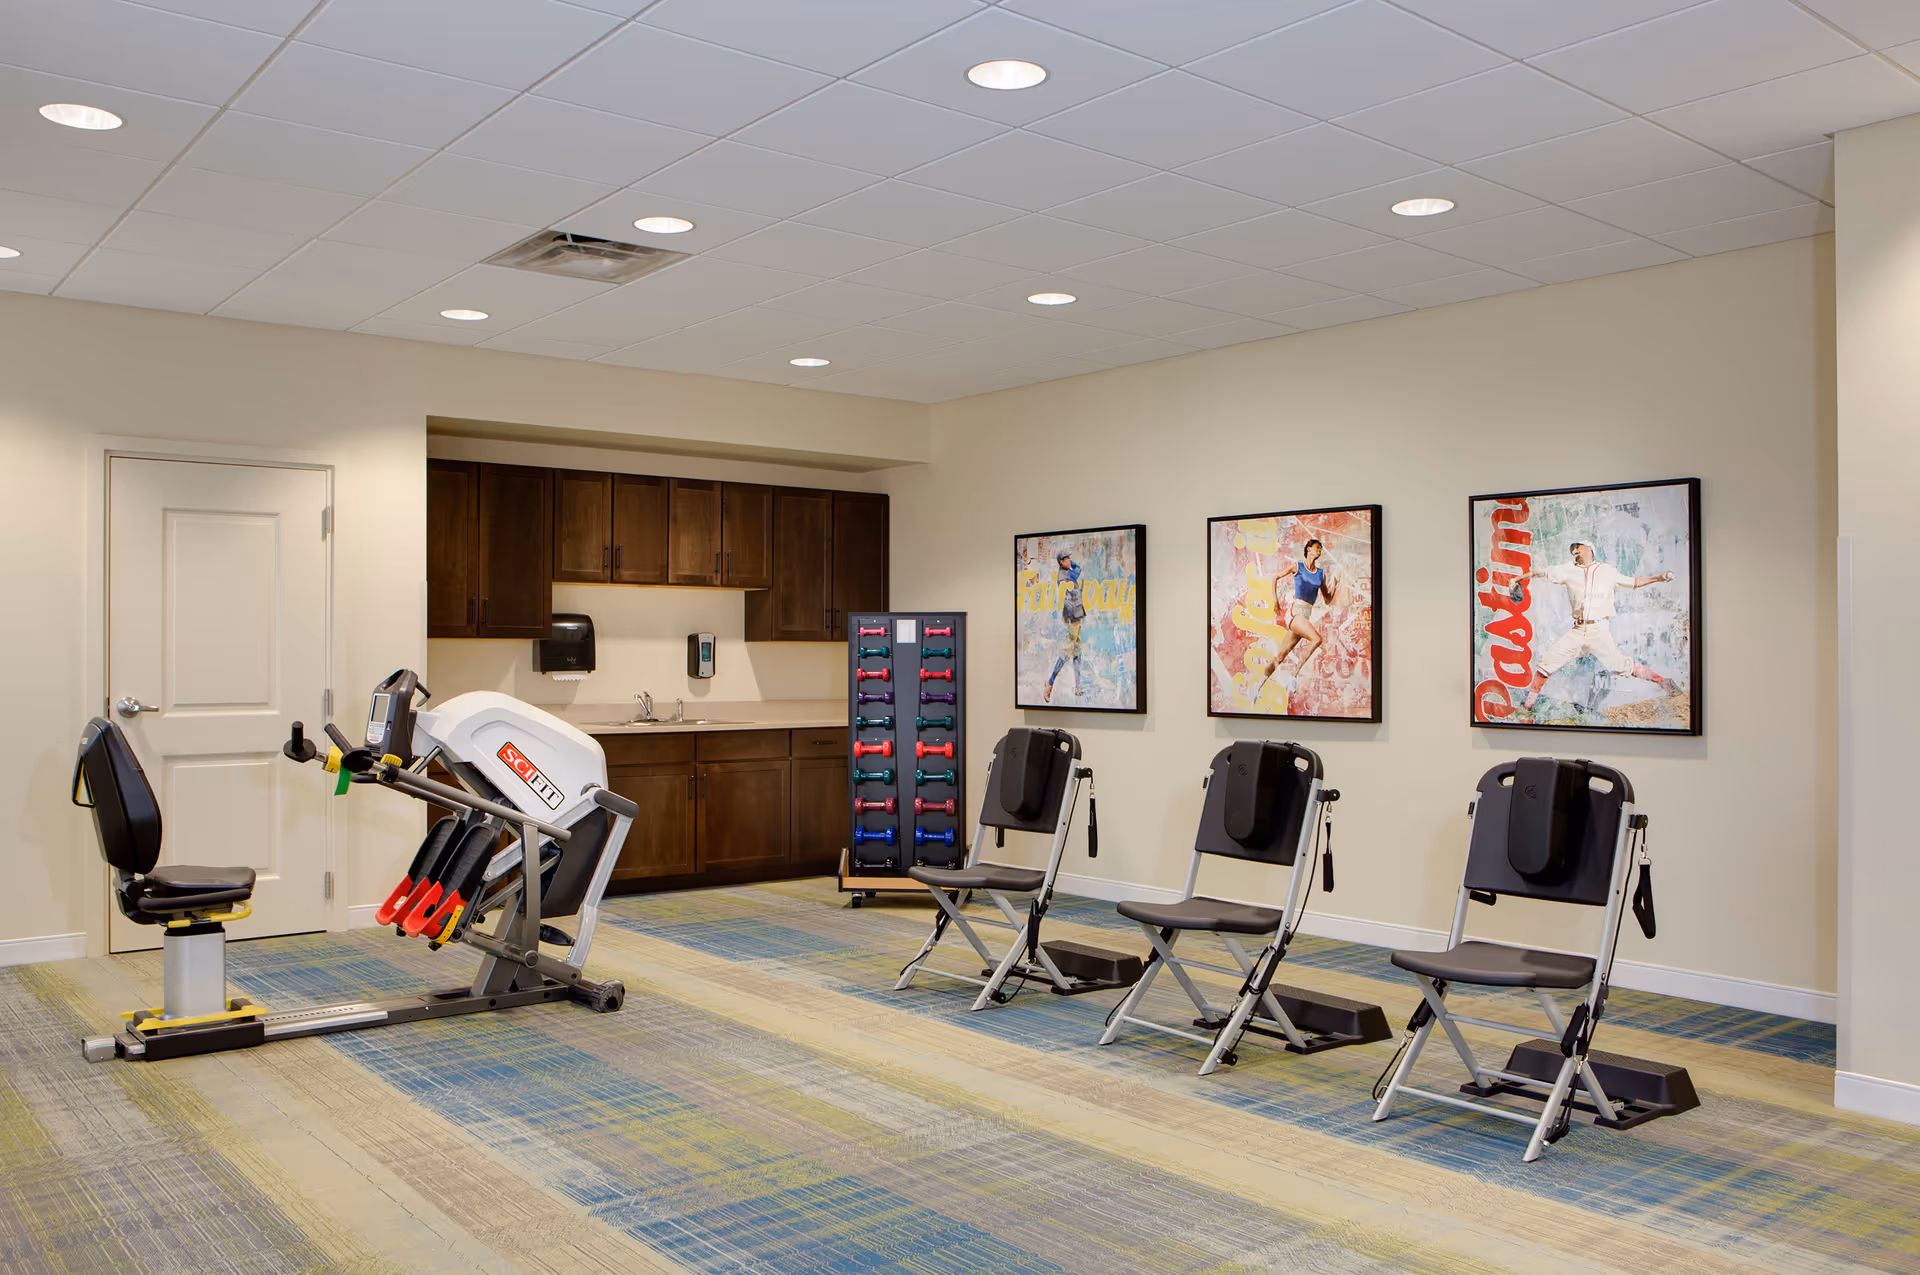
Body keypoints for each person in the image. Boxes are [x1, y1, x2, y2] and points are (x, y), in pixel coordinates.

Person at [1515, 541, 1676, 709]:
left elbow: (1634, 582)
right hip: (1578, 629)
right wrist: (1518, 579)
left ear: (1590, 549)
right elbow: (1541, 572)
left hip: (1599, 630)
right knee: (1547, 663)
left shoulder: (1607, 571)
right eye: (1572, 549)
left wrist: (1658, 578)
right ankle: (1528, 705)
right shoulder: (1568, 569)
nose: (1575, 551)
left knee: (1620, 665)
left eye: (1578, 547)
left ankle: (1663, 682)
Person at [1260, 538, 1340, 696]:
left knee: (1280, 657)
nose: (1319, 551)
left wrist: (1334, 586)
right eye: (1317, 547)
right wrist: (1275, 600)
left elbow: (1327, 600)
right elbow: (1275, 577)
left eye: (1320, 549)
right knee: (1317, 639)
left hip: (1305, 617)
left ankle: (1255, 687)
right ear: (1309, 549)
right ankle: (1293, 676)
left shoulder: (1320, 574)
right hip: (1295, 614)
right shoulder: (1298, 566)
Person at [1044, 550, 1086, 703]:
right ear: (1061, 562)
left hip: (1076, 617)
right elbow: (1079, 569)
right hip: (1072, 618)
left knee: (1077, 652)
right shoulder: (1065, 577)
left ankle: (1078, 686)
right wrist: (1073, 565)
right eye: (1067, 559)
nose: (1070, 560)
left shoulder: (1066, 573)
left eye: (1069, 558)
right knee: (1067, 651)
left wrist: (1071, 564)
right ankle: (1050, 682)